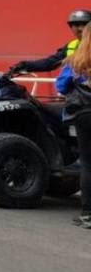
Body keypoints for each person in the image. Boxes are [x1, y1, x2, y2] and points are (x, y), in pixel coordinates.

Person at [56, 24, 91, 229]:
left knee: (87, 163)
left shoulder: (75, 60)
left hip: (84, 113)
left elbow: (60, 86)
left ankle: (88, 214)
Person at [11, 9, 89, 75]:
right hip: (77, 91)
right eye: (76, 25)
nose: (80, 29)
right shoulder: (71, 46)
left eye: (85, 25)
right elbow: (50, 63)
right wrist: (26, 65)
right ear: (71, 28)